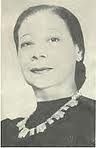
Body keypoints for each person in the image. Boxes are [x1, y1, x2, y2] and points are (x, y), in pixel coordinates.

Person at [1, 4, 95, 147]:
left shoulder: (91, 119)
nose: (37, 54)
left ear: (79, 51)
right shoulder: (5, 131)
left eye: (53, 39)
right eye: (27, 43)